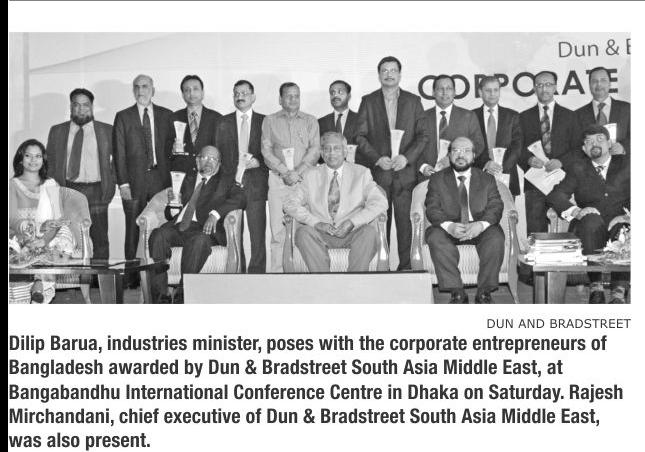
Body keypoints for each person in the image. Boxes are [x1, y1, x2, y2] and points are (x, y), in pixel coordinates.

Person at [355, 56, 429, 270]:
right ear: (379, 75)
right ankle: (382, 268)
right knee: (379, 223)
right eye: (384, 71)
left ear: (400, 74)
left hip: (406, 173)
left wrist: (407, 157)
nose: (389, 74)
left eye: (393, 70)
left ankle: (406, 267)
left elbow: (423, 135)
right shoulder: (368, 101)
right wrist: (377, 158)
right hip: (380, 173)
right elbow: (359, 136)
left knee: (406, 225)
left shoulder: (413, 101)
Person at [148, 146, 245, 303]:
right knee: (157, 235)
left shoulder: (225, 181)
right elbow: (170, 213)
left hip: (203, 230)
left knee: (199, 241)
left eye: (214, 159)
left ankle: (182, 295)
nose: (209, 162)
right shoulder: (186, 179)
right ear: (197, 160)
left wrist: (215, 215)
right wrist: (173, 205)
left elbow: (240, 198)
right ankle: (160, 297)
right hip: (178, 227)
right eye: (205, 157)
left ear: (219, 164)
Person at [547, 124, 630, 304]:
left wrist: (628, 216)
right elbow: (556, 195)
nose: (594, 144)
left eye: (600, 139)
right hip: (589, 226)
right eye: (589, 141)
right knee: (590, 220)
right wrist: (577, 211)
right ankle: (596, 286)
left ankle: (619, 291)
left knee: (624, 228)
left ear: (610, 143)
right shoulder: (578, 168)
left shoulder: (627, 164)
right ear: (584, 149)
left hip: (621, 221)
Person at [284, 132, 388, 272]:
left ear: (345, 151)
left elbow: (380, 202)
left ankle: (354, 281)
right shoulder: (310, 175)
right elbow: (290, 203)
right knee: (303, 233)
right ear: (322, 153)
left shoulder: (361, 173)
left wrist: (352, 222)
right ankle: (324, 281)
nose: (331, 153)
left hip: (353, 232)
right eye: (327, 149)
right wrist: (316, 223)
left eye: (336, 148)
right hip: (321, 233)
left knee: (369, 233)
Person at [425, 137, 505, 304]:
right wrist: (449, 226)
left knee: (496, 236)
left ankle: (484, 291)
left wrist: (481, 225)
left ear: (474, 156)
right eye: (455, 150)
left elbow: (496, 206)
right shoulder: (437, 179)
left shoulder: (487, 179)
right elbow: (432, 208)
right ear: (449, 155)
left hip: (478, 228)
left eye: (466, 151)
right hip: (450, 228)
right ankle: (457, 292)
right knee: (434, 236)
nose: (460, 155)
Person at [113, 74, 174, 286]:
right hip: (133, 182)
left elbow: (172, 151)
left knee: (161, 228)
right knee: (132, 230)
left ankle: (159, 278)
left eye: (145, 86)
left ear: (153, 90)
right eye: (137, 87)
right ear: (133, 90)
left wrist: (174, 184)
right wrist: (123, 184)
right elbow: (118, 153)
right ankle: (131, 280)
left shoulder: (167, 115)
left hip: (161, 180)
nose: (141, 90)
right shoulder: (123, 116)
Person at [45, 88, 115, 260]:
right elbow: (50, 164)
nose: (81, 109)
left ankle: (100, 276)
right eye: (76, 105)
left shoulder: (107, 130)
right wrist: (53, 192)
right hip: (69, 190)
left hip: (97, 190)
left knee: (100, 239)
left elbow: (119, 161)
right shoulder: (57, 131)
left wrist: (112, 183)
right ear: (71, 107)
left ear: (92, 107)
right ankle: (76, 273)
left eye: (85, 105)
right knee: (70, 237)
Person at [261, 82, 320, 272]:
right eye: (288, 96)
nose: (293, 99)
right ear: (280, 99)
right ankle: (278, 275)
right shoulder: (270, 120)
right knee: (279, 232)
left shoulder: (311, 121)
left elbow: (315, 150)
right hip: (278, 181)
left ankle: (303, 275)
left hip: (304, 181)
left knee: (305, 230)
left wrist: (297, 172)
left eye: (296, 96)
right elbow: (266, 151)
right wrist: (285, 172)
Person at [9, 139, 77, 303]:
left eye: (38, 156)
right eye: (28, 156)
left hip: (49, 234)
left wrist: (44, 240)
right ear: (21, 159)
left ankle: (39, 284)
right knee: (18, 247)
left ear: (43, 159)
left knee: (63, 236)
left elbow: (57, 218)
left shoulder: (51, 184)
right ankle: (34, 286)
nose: (33, 160)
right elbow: (13, 218)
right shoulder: (12, 185)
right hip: (20, 233)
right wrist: (30, 235)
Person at [215, 80, 268, 273]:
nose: (240, 96)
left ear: (253, 97)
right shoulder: (222, 122)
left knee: (257, 237)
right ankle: (239, 273)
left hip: (256, 186)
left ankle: (257, 275)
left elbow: (273, 151)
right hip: (230, 186)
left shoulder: (266, 121)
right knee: (234, 235)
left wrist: (259, 161)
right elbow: (217, 154)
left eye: (244, 93)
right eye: (236, 93)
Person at [519, 70, 580, 234]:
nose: (544, 89)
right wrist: (528, 160)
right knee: (535, 231)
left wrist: (561, 162)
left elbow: (578, 149)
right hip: (535, 182)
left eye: (548, 84)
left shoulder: (570, 116)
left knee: (570, 226)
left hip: (564, 181)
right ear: (534, 88)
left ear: (555, 87)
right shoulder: (523, 117)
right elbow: (518, 148)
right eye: (539, 85)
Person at [418, 74, 485, 179]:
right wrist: (423, 166)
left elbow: (478, 145)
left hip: (459, 176)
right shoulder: (421, 117)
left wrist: (455, 159)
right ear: (433, 92)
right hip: (428, 177)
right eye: (440, 88)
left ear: (454, 92)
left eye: (449, 88)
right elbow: (414, 146)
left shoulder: (468, 116)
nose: (445, 92)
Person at [472, 76, 523, 197]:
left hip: (507, 176)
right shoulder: (471, 116)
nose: (492, 94)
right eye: (488, 90)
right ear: (480, 92)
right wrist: (485, 163)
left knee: (508, 209)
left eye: (496, 90)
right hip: (479, 175)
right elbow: (470, 146)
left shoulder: (512, 116)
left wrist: (500, 168)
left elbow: (517, 146)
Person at [171, 75, 223, 176]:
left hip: (209, 176)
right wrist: (172, 150)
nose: (191, 93)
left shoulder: (217, 119)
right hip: (182, 176)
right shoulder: (173, 118)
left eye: (195, 89)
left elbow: (222, 151)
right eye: (187, 90)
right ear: (183, 94)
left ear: (202, 93)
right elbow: (165, 150)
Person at [575, 66, 630, 155]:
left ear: (610, 83)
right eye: (594, 81)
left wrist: (624, 147)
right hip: (590, 163)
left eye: (603, 80)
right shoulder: (578, 115)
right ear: (589, 85)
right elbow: (576, 145)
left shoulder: (627, 109)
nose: (599, 84)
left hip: (621, 161)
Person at [318, 80, 358, 144]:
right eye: (332, 93)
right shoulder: (321, 122)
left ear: (349, 96)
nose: (335, 95)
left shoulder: (360, 120)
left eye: (340, 92)